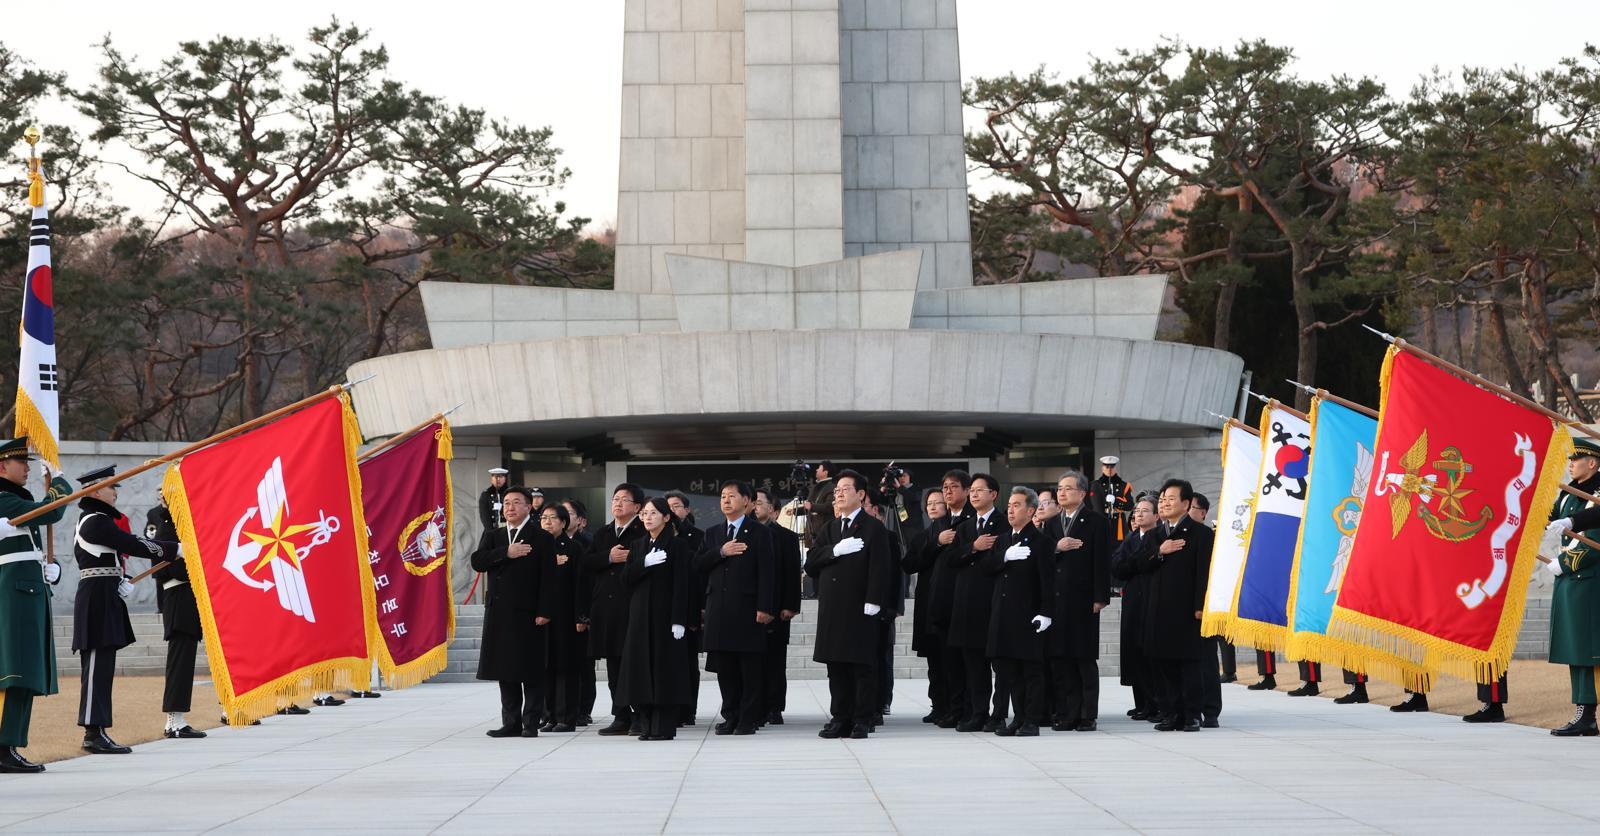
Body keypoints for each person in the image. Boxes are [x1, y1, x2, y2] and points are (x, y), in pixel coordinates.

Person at [71, 465, 180, 755]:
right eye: (111, 485)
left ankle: (99, 729)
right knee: (96, 664)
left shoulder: (100, 520)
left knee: (103, 663)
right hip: (96, 598)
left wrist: (121, 580)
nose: (115, 490)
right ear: (95, 490)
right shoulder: (95, 520)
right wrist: (174, 549)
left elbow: (115, 554)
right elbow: (131, 543)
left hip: (105, 594)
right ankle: (92, 732)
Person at [805, 469, 894, 739]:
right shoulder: (830, 528)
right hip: (833, 608)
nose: (839, 493)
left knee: (861, 666)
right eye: (837, 490)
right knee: (837, 667)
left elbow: (881, 568)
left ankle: (862, 718)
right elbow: (811, 563)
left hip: (861, 606)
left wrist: (874, 601)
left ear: (861, 494)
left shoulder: (873, 528)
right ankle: (840, 717)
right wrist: (835, 550)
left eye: (845, 489)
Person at [0, 437, 69, 774]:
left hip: (27, 592)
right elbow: (52, 509)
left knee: (24, 674)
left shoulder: (14, 500)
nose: (27, 468)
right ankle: (3, 747)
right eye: (20, 463)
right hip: (13, 597)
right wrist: (57, 480)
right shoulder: (3, 501)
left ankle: (10, 745)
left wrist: (46, 570)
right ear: (2, 467)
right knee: (12, 674)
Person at [471, 486, 556, 738]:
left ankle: (530, 723)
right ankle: (511, 723)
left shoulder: (542, 537)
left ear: (529, 507)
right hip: (500, 613)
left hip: (530, 613)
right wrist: (505, 553)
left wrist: (545, 610)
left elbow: (549, 579)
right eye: (506, 503)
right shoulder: (494, 535)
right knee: (504, 669)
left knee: (530, 670)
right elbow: (477, 561)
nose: (510, 507)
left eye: (516, 502)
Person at [695, 480, 776, 735]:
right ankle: (730, 715)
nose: (726, 500)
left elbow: (767, 572)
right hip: (719, 608)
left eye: (731, 496)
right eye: (722, 496)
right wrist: (721, 551)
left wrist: (765, 607)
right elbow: (697, 565)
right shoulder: (712, 533)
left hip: (748, 607)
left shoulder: (760, 532)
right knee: (725, 668)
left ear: (746, 501)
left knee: (749, 668)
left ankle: (748, 718)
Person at [617, 497, 695, 741]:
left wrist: (679, 619)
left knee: (664, 671)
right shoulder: (638, 545)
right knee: (641, 671)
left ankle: (663, 727)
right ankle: (646, 723)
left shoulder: (678, 546)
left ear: (666, 517)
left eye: (653, 513)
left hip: (666, 618)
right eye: (645, 514)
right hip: (640, 617)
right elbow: (626, 579)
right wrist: (644, 563)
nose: (647, 517)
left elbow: (683, 585)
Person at [1041, 470, 1111, 732]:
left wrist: (1100, 596)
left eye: (1068, 488)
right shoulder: (1051, 523)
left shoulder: (1096, 522)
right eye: (1059, 488)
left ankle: (1087, 714)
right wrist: (1057, 547)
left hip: (1083, 599)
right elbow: (1043, 557)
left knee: (1083, 658)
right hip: (1057, 600)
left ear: (1082, 493)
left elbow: (1102, 560)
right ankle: (1066, 713)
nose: (1061, 493)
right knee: (1060, 659)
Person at [1143, 479, 1215, 732]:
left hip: (1186, 610)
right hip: (1158, 609)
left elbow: (1204, 573)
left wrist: (1200, 605)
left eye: (1170, 498)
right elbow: (1138, 565)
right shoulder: (1155, 534)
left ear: (1186, 504)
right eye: (1162, 498)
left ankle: (1192, 714)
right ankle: (1171, 713)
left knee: (1189, 664)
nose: (1164, 502)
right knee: (1163, 664)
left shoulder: (1202, 534)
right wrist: (1159, 551)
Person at [982, 486, 1054, 737]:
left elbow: (1047, 580)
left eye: (1017, 505)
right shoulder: (1003, 540)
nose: (1011, 510)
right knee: (1009, 672)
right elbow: (986, 568)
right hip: (1003, 614)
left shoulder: (1042, 542)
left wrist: (1046, 612)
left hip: (1028, 615)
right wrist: (1004, 556)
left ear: (1031, 510)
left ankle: (1032, 720)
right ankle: (1018, 717)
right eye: (1009, 505)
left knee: (1030, 671)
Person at [1545, 437, 1600, 737]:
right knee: (1575, 650)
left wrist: (1564, 564)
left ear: (1592, 463)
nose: (1570, 464)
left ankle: (1588, 715)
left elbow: (1594, 541)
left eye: (1575, 460)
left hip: (1590, 581)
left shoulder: (1597, 495)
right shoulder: (1570, 494)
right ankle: (1581, 712)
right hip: (1571, 583)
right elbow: (1549, 518)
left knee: (1589, 652)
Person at [586, 483, 648, 735]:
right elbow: (586, 563)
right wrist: (609, 557)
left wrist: (629, 558)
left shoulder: (643, 530)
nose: (618, 503)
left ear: (637, 507)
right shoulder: (602, 533)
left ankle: (641, 715)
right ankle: (621, 715)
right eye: (615, 499)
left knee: (634, 663)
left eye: (624, 499)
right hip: (606, 608)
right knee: (613, 665)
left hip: (632, 606)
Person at [145, 490, 206, 739]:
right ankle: (174, 720)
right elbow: (165, 568)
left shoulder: (178, 526)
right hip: (178, 598)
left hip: (186, 599)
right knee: (180, 660)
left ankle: (176, 719)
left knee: (184, 658)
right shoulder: (167, 528)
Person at [950, 473, 1005, 733]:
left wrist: (978, 554)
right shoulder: (964, 527)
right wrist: (973, 546)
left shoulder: (1003, 522)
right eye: (971, 490)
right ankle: (978, 712)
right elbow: (952, 559)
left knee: (1000, 664)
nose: (973, 494)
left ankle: (999, 713)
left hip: (994, 601)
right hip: (968, 604)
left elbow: (1001, 557)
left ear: (993, 494)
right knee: (973, 664)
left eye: (979, 490)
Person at [928, 470, 976, 728]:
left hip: (964, 599)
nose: (947, 491)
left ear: (967, 491)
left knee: (966, 660)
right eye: (944, 487)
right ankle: (953, 708)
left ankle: (970, 709)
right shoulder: (940, 522)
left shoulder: (971, 519)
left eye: (954, 487)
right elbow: (918, 556)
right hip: (943, 600)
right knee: (949, 662)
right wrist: (937, 541)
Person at [754, 487, 802, 725]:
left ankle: (774, 707)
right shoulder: (744, 534)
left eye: (760, 503)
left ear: (773, 510)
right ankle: (754, 705)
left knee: (774, 660)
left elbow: (793, 575)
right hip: (749, 609)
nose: (755, 506)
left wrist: (791, 605)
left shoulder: (787, 537)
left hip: (777, 608)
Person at [1111, 497, 1160, 721]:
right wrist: (1140, 562)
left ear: (1157, 516)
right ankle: (1141, 703)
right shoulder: (1130, 538)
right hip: (1132, 600)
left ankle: (1156, 703)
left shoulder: (1160, 537)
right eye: (1137, 511)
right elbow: (1118, 568)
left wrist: (1135, 563)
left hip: (1152, 599)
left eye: (1145, 511)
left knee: (1150, 651)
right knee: (1134, 652)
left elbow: (1144, 564)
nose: (1138, 515)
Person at [538, 503, 585, 733]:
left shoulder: (573, 549)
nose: (547, 522)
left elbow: (580, 585)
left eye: (552, 518)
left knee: (565, 666)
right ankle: (548, 715)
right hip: (541, 618)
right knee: (545, 665)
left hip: (566, 617)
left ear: (564, 523)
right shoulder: (535, 548)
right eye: (543, 518)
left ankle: (566, 717)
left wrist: (581, 616)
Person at [901, 488, 947, 723]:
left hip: (949, 602)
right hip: (928, 601)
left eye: (938, 502)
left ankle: (953, 705)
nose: (933, 507)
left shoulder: (956, 531)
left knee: (950, 658)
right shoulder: (923, 536)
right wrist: (935, 544)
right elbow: (909, 564)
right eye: (929, 503)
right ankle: (937, 704)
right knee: (933, 660)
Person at [665, 490, 707, 725]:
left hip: (690, 606)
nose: (673, 510)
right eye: (668, 506)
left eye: (677, 506)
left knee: (688, 662)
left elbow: (700, 576)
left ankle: (688, 708)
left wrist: (699, 608)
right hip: (664, 609)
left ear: (687, 510)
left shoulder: (698, 536)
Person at [1189, 494, 1237, 684]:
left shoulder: (1209, 537)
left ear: (1203, 513)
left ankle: (1229, 671)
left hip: (1215, 592)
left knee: (1222, 635)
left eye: (1192, 507)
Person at [1090, 455, 1134, 543]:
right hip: (1101, 522)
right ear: (1102, 468)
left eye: (1112, 466)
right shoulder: (1095, 485)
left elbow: (1130, 505)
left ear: (1115, 468)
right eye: (1106, 466)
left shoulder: (1124, 485)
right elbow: (1094, 506)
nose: (1109, 469)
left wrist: (1116, 501)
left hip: (1119, 523)